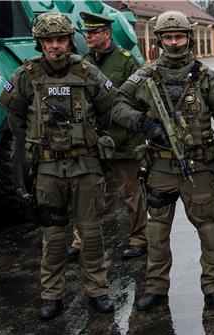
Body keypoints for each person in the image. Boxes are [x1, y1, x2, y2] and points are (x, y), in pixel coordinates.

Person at [112, 10, 214, 311]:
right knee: (156, 232)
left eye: (179, 36)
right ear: (159, 40)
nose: (174, 42)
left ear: (189, 38)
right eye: (168, 37)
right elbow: (116, 105)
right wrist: (145, 123)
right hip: (161, 166)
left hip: (200, 166)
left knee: (208, 228)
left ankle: (212, 287)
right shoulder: (145, 76)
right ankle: (156, 288)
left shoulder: (208, 78)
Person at [0, 13, 116, 320]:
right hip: (48, 168)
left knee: (91, 235)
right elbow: (15, 116)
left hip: (86, 165)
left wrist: (92, 138)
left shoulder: (87, 71)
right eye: (49, 41)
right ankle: (52, 295)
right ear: (40, 43)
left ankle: (98, 291)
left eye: (61, 39)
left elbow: (106, 109)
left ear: (69, 40)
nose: (55, 46)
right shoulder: (27, 74)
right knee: (53, 236)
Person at [67, 11, 148, 262]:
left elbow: (140, 100)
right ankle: (80, 240)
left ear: (107, 34)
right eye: (86, 33)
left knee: (129, 191)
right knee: (86, 191)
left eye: (93, 32)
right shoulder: (84, 61)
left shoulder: (125, 61)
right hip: (92, 139)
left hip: (122, 139)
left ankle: (139, 238)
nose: (88, 37)